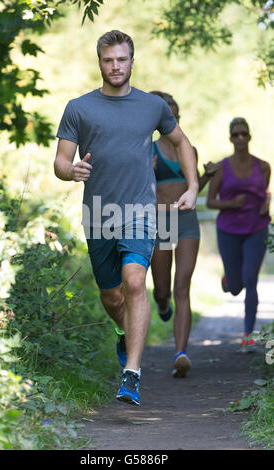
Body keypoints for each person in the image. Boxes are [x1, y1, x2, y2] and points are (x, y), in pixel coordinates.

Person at [54, 30, 198, 406]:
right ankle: (124, 330)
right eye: (108, 60)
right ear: (99, 62)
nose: (115, 66)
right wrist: (71, 172)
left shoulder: (151, 106)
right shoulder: (79, 107)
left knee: (135, 282)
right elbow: (60, 161)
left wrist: (193, 187)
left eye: (121, 59)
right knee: (110, 293)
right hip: (99, 212)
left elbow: (181, 142)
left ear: (132, 61)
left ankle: (131, 374)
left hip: (139, 210)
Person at [150, 91, 220, 377]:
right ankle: (162, 303)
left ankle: (181, 352)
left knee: (183, 285)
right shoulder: (148, 149)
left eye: (176, 116)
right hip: (162, 221)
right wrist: (146, 171)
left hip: (186, 220)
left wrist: (206, 177)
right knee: (164, 289)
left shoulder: (188, 148)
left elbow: (192, 188)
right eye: (168, 116)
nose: (173, 120)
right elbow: (136, 187)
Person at [207, 117, 271, 351]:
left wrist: (266, 205)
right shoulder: (222, 168)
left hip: (256, 227)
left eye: (244, 133)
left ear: (250, 136)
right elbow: (211, 202)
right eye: (236, 134)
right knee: (236, 287)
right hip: (228, 229)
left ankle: (247, 336)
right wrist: (232, 203)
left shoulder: (263, 166)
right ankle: (228, 280)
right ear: (230, 138)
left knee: (251, 279)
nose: (241, 138)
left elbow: (264, 194)